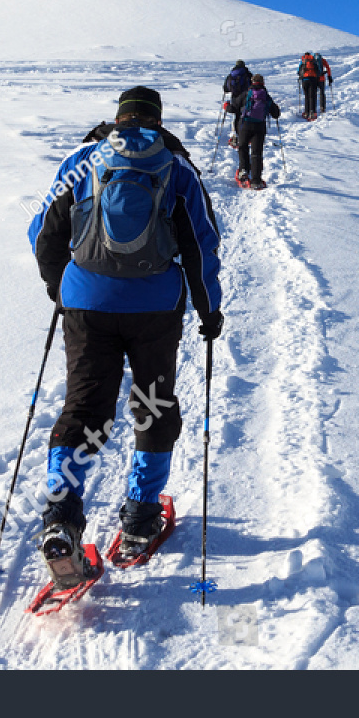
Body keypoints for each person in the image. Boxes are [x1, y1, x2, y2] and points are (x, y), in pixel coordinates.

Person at [27, 85, 224, 591]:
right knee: (152, 401)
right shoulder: (176, 167)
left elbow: (41, 231)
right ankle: (139, 519)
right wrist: (209, 310)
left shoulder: (83, 160)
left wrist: (61, 287)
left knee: (85, 408)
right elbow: (203, 243)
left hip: (87, 302)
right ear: (157, 120)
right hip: (155, 306)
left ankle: (62, 517)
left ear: (118, 117)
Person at [236, 74, 281, 189]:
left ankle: (243, 172)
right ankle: (256, 180)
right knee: (256, 153)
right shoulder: (266, 96)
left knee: (243, 148)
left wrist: (227, 106)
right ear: (263, 83)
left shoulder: (246, 94)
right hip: (259, 127)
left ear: (252, 82)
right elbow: (276, 114)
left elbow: (233, 107)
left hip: (245, 125)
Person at [222, 59, 251, 147]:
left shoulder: (231, 75)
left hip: (235, 98)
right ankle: (246, 137)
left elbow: (226, 88)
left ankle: (236, 137)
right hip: (246, 98)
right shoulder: (247, 74)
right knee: (245, 117)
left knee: (237, 117)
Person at [298, 51, 330, 120]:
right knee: (312, 96)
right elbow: (318, 71)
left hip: (304, 81)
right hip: (313, 80)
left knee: (307, 96)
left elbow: (298, 71)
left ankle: (306, 112)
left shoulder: (303, 60)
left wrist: (302, 76)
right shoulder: (314, 60)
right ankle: (313, 113)